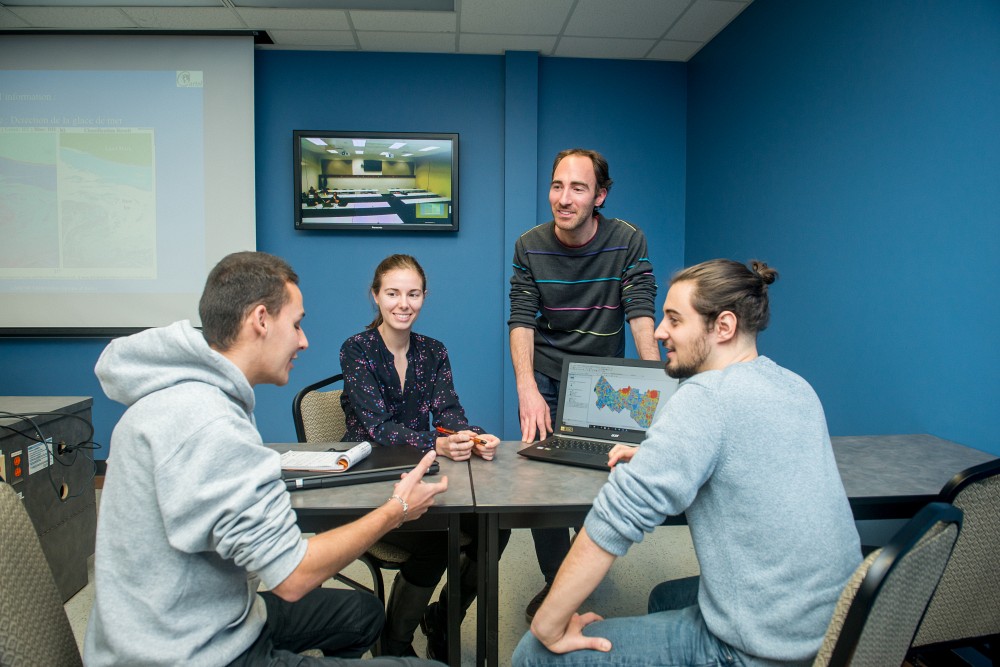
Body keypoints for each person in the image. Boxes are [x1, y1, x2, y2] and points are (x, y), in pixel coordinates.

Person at [84, 251, 446, 666]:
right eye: (296, 324)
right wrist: (397, 508)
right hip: (189, 651)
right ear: (261, 320)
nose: (304, 340)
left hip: (206, 613)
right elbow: (292, 577)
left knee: (363, 615)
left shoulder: (191, 396)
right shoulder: (208, 424)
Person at [512, 259, 863, 667]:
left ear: (724, 326)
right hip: (840, 625)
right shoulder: (795, 385)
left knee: (533, 654)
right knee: (664, 597)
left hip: (760, 647)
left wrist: (549, 625)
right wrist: (661, 453)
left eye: (674, 321)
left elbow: (615, 518)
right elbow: (745, 456)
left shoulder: (704, 398)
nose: (659, 332)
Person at [508, 148, 660, 620]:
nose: (564, 198)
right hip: (550, 375)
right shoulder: (528, 245)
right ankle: (559, 587)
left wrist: (660, 388)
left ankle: (585, 565)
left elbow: (640, 312)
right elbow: (520, 318)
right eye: (557, 186)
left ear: (600, 195)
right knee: (541, 484)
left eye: (577, 187)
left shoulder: (627, 239)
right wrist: (527, 387)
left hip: (604, 380)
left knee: (601, 477)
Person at [339, 253, 510, 661]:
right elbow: (378, 428)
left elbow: (449, 411)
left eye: (413, 294)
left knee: (495, 528)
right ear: (376, 296)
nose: (404, 303)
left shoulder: (433, 351)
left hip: (423, 476)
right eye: (393, 293)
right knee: (437, 537)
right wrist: (437, 444)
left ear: (424, 297)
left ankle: (444, 618)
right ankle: (395, 643)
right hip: (373, 483)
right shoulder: (356, 349)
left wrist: (472, 436)